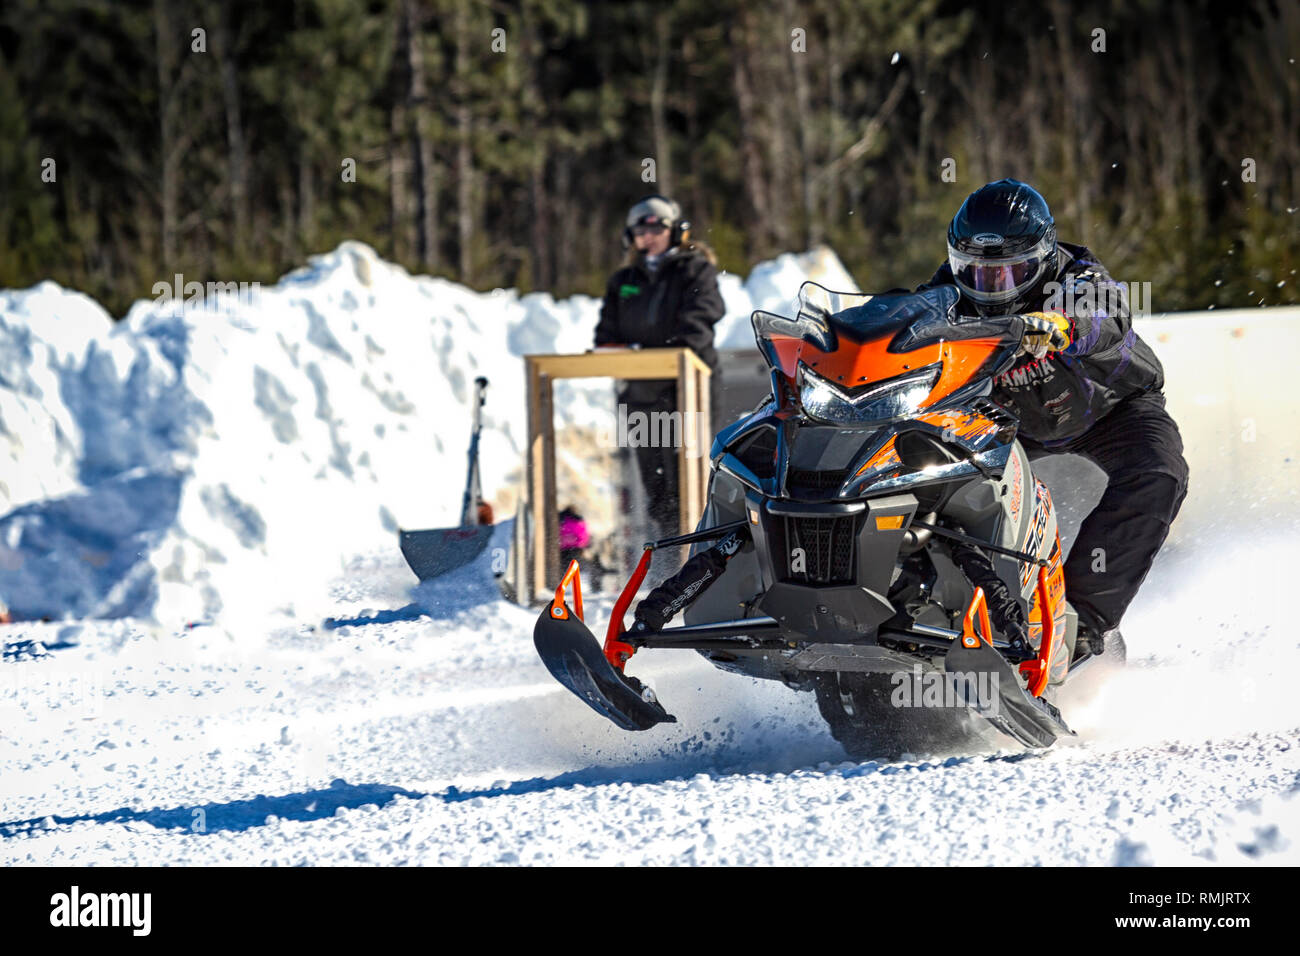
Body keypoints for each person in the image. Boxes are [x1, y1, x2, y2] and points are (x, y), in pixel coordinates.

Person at [920, 178, 1189, 660]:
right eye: (976, 273)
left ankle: (1082, 625)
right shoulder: (944, 293)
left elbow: (1106, 313)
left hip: (1111, 407)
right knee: (932, 476)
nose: (992, 288)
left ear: (1043, 258)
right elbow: (904, 321)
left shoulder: (1079, 275)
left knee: (1160, 472)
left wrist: (1062, 324)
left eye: (1009, 273)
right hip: (1009, 423)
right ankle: (942, 611)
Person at [593, 195, 725, 543]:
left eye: (657, 227)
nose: (648, 235)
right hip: (640, 395)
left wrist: (661, 352)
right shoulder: (623, 280)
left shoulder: (695, 269)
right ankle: (667, 565)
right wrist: (623, 351)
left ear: (676, 232)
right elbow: (606, 334)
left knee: (689, 483)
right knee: (657, 488)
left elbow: (700, 322)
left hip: (686, 392)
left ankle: (697, 560)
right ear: (630, 236)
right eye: (640, 229)